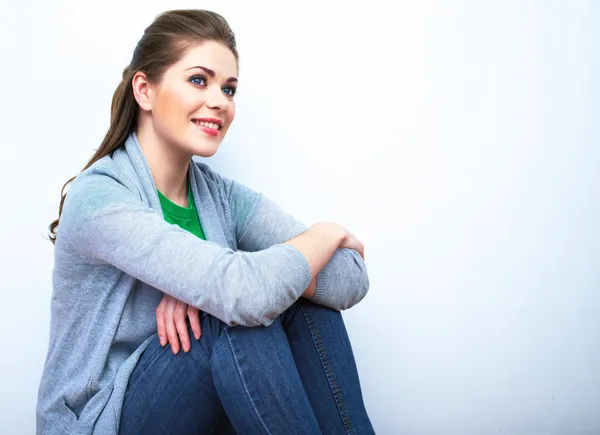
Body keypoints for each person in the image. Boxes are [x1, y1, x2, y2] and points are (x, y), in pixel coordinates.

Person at [36, 9, 374, 435]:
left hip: (203, 409)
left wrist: (218, 289)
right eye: (200, 80)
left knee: (298, 299)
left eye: (229, 89)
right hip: (104, 420)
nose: (219, 101)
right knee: (235, 314)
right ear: (145, 90)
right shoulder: (100, 197)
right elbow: (243, 295)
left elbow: (349, 279)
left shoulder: (222, 197)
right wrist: (324, 234)